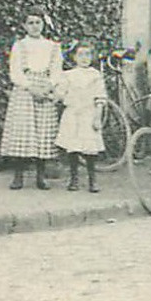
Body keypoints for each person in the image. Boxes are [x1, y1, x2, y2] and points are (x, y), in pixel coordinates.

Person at [0, 7, 62, 190]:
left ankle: (40, 177)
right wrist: (30, 87)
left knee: (43, 133)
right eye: (30, 23)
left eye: (38, 22)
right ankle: (18, 176)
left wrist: (48, 86)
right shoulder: (19, 46)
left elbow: (57, 70)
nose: (34, 26)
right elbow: (15, 72)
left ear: (44, 24)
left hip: (44, 88)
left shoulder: (52, 46)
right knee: (22, 132)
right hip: (25, 89)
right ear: (24, 25)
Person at [54, 42, 105, 192]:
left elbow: (100, 97)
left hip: (89, 114)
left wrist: (97, 117)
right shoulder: (68, 75)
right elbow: (60, 93)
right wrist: (53, 92)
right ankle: (74, 179)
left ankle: (92, 180)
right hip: (72, 115)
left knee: (90, 150)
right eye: (80, 55)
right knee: (73, 148)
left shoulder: (95, 75)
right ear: (74, 57)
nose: (84, 58)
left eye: (87, 54)